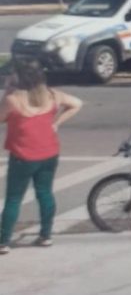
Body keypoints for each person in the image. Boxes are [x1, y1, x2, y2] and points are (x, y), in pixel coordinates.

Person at [0, 59, 82, 255]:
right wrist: (56, 123)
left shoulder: (13, 100)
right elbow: (76, 104)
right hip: (49, 153)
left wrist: (6, 90)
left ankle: (3, 241)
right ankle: (46, 235)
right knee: (44, 193)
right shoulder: (52, 95)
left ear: (18, 77)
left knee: (13, 198)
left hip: (22, 155)